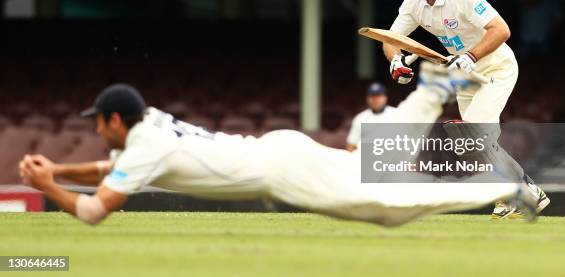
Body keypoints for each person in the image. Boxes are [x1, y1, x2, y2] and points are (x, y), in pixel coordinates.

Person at [19, 83, 536, 226]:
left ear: (115, 121)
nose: (97, 131)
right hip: (281, 147)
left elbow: (91, 211)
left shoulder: (145, 144)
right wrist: (62, 168)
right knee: (367, 166)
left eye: (99, 122)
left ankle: (507, 188)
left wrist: (47, 187)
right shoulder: (149, 122)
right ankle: (430, 91)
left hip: (278, 172)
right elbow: (114, 167)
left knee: (384, 210)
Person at [383, 0, 549, 218]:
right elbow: (391, 39)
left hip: (496, 68)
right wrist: (396, 61)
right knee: (470, 143)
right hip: (465, 75)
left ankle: (527, 192)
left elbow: (501, 30)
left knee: (473, 133)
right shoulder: (413, 4)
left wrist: (471, 56)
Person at [346, 82, 397, 152]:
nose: (376, 99)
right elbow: (351, 145)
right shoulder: (360, 118)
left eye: (379, 96)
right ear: (367, 98)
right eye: (372, 96)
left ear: (385, 97)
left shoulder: (397, 114)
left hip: (392, 157)